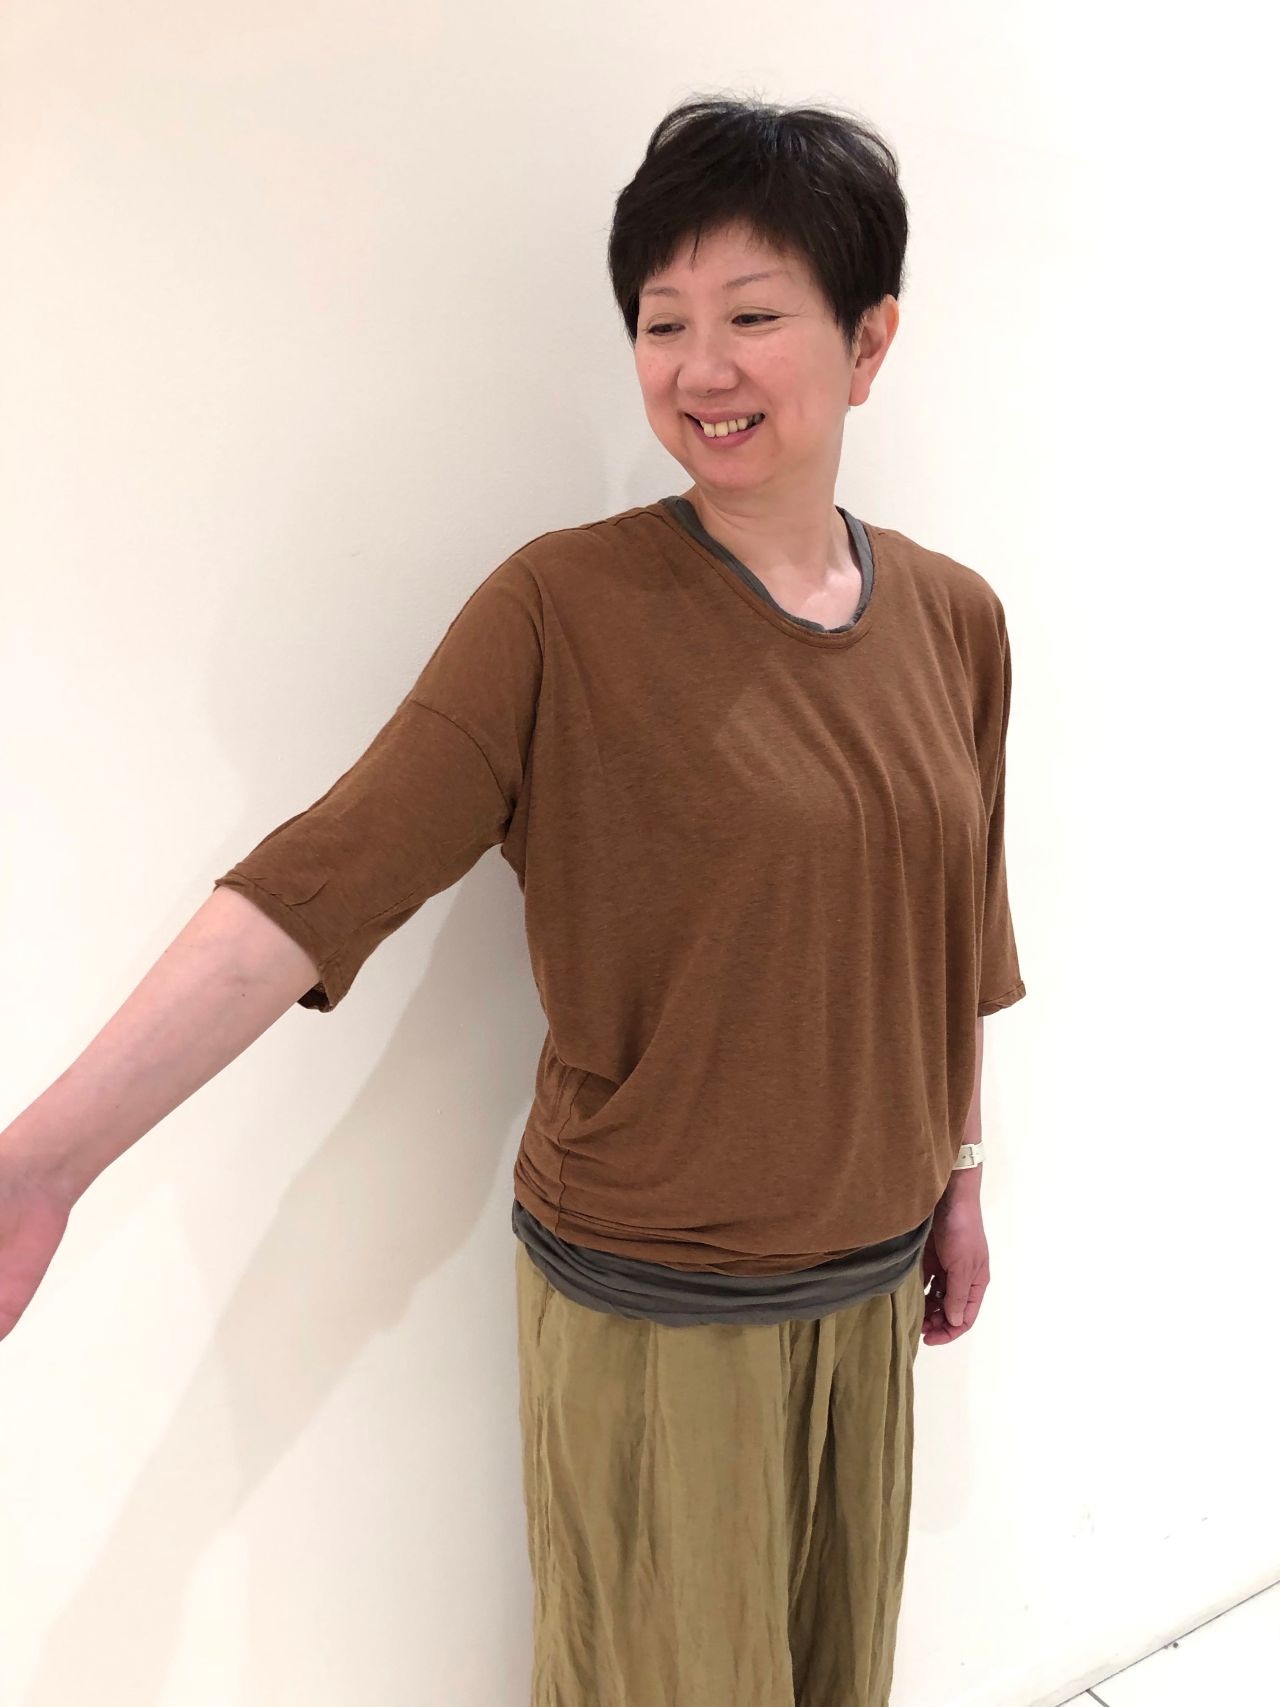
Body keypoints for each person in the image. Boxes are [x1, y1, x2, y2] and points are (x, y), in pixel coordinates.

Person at [0, 94, 1025, 1707]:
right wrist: (41, 1162)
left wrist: (959, 1178)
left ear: (868, 340)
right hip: (661, 1310)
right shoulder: (563, 610)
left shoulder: (956, 621)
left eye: (754, 316)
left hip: (865, 1294)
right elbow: (319, 882)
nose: (702, 367)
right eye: (663, 323)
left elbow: (954, 943)